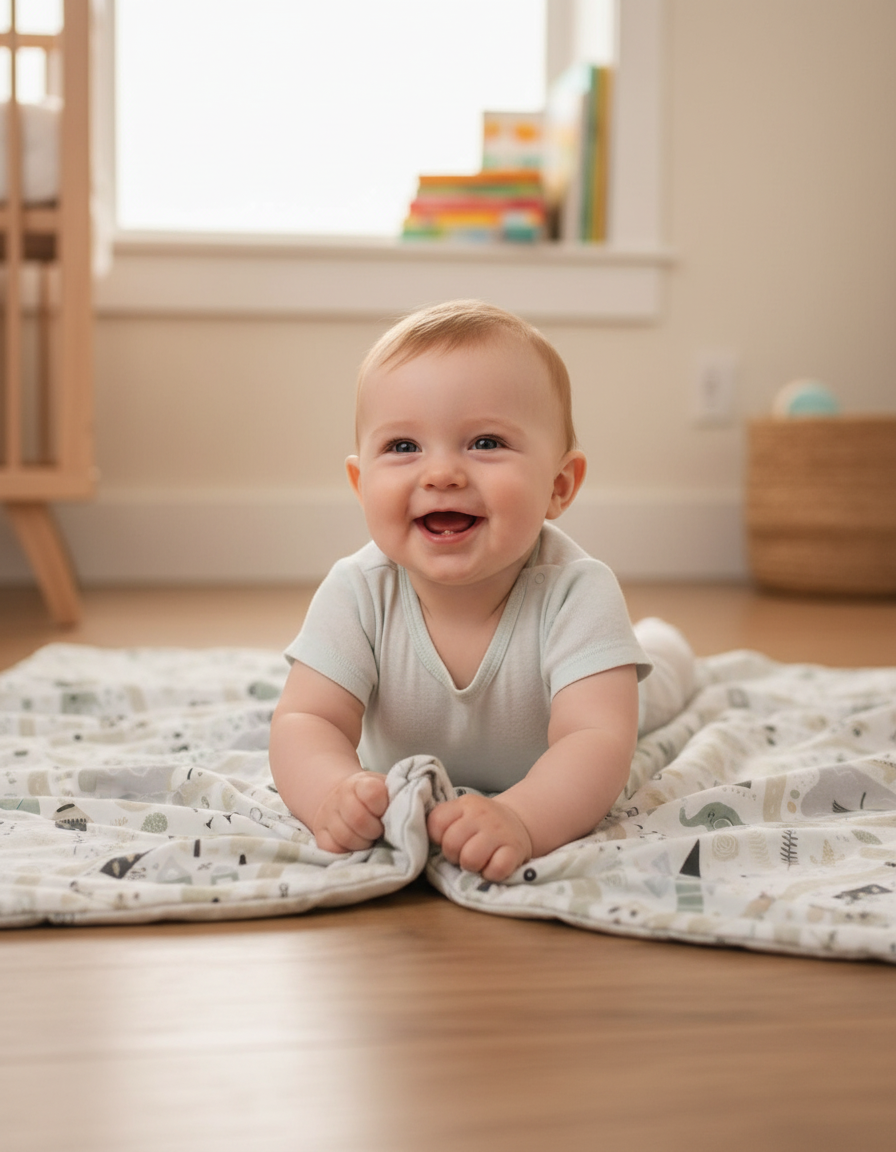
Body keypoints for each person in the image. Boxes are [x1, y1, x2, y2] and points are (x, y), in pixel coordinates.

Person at [270, 300, 696, 882]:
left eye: (486, 443)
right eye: (402, 447)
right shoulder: (357, 592)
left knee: (653, 689)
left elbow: (595, 740)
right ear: (360, 481)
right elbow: (306, 721)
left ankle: (662, 643)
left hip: (597, 694)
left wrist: (521, 818)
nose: (441, 472)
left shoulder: (578, 592)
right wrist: (330, 794)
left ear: (559, 485)